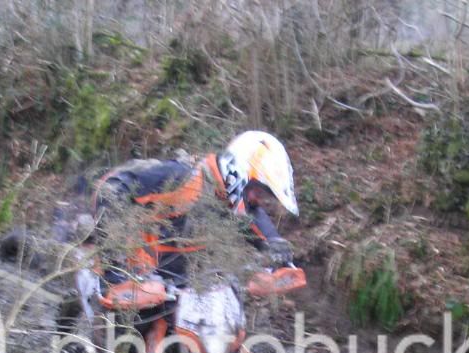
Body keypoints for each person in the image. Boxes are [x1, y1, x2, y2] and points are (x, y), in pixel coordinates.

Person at [61, 131, 299, 326]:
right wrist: (116, 271)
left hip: (183, 278)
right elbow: (111, 191)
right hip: (140, 264)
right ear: (238, 173)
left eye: (263, 195)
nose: (258, 200)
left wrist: (275, 245)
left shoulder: (230, 196)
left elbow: (253, 218)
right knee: (131, 327)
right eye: (258, 191)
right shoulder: (182, 177)